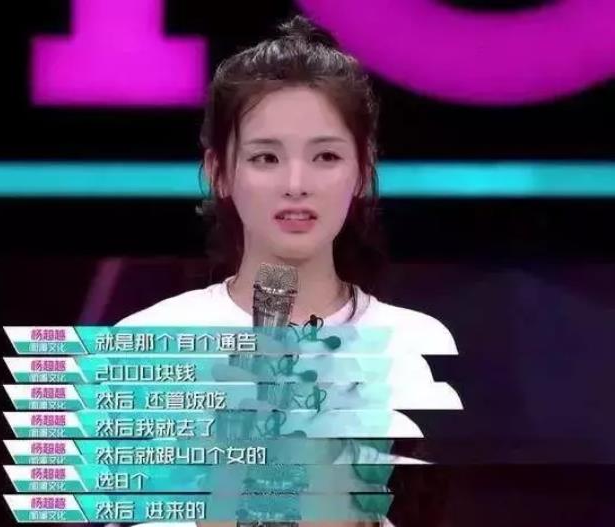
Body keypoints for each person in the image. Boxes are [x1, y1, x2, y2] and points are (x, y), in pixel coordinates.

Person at [115, 14, 459, 527]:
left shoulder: (417, 348)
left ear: (363, 171)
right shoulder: (149, 344)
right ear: (218, 171)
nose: (296, 184)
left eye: (325, 156)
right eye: (266, 158)